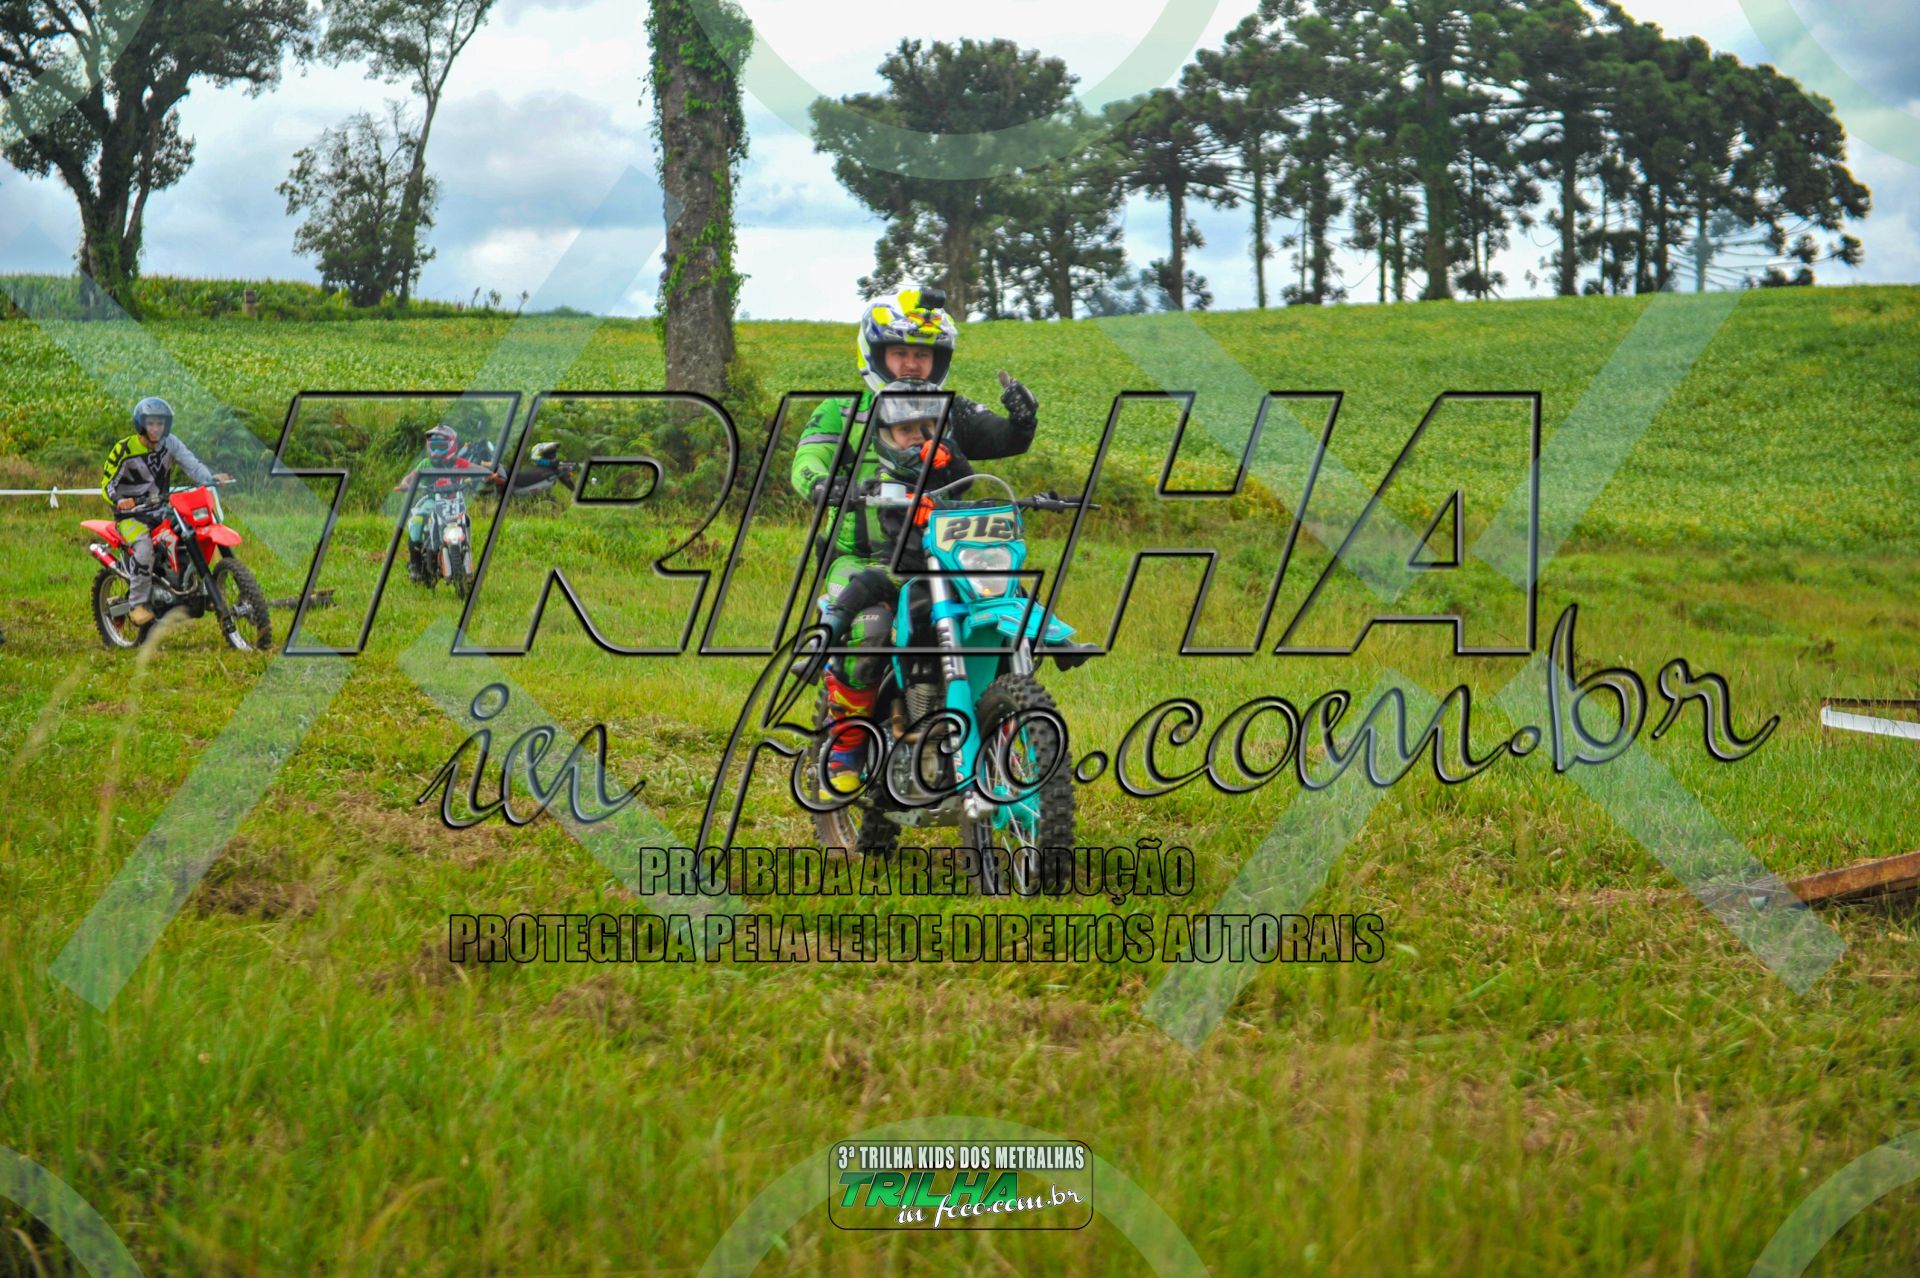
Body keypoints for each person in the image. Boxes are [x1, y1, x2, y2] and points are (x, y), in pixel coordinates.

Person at [789, 285, 1041, 794]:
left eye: (922, 354)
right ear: (874, 353)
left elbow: (1002, 439)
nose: (911, 364)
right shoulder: (845, 412)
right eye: (900, 352)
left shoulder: (950, 410)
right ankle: (846, 744)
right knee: (872, 630)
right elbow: (807, 460)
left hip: (941, 549)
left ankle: (993, 721)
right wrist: (822, 484)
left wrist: (1022, 420)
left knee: (1002, 611)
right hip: (860, 557)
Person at [101, 397, 234, 626]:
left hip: (160, 508)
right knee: (144, 549)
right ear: (141, 423)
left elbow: (192, 464)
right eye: (151, 423)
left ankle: (202, 588)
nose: (156, 428)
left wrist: (210, 478)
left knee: (192, 531)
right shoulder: (124, 449)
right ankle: (136, 605)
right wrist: (120, 500)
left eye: (160, 423)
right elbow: (107, 484)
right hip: (131, 515)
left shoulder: (170, 443)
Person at [395, 423, 502, 581]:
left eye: (441, 447)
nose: (436, 452)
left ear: (452, 446)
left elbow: (474, 468)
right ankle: (415, 565)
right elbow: (411, 477)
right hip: (431, 501)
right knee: (417, 522)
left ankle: (465, 549)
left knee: (466, 519)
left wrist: (489, 474)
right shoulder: (426, 464)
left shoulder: (458, 463)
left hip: (454, 501)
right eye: (434, 447)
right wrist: (405, 484)